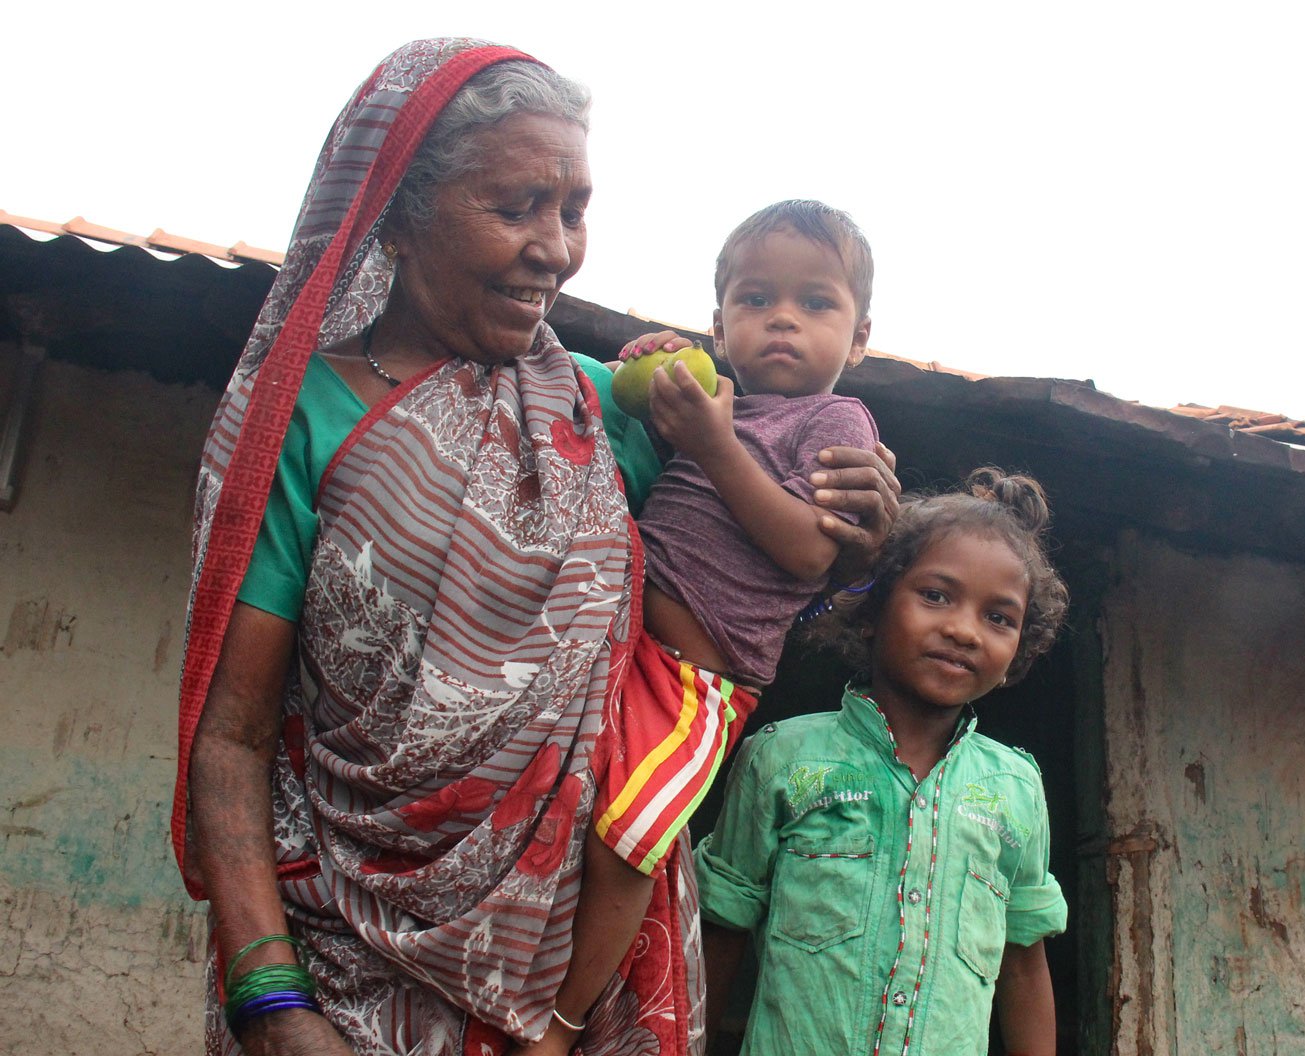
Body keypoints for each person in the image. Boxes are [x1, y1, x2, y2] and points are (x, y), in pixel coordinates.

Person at [173, 39, 899, 1056]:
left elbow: (765, 564)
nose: (556, 249)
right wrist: (268, 997)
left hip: (571, 991)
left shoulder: (608, 409)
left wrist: (863, 533)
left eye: (575, 210)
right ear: (398, 211)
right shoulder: (300, 422)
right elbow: (233, 735)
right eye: (515, 207)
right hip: (336, 978)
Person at [695, 468, 1071, 1056]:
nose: (963, 630)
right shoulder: (783, 759)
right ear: (872, 607)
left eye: (998, 617)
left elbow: (1023, 967)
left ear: (1019, 647)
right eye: (936, 595)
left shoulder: (1015, 789)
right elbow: (719, 935)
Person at [594, 202, 878, 872]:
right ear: (720, 327)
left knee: (629, 840)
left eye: (815, 302)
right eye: (755, 299)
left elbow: (812, 550)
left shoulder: (837, 421)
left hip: (697, 681)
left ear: (860, 338)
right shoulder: (713, 398)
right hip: (618, 645)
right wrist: (652, 366)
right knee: (572, 811)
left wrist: (714, 444)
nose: (783, 318)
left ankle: (573, 987)